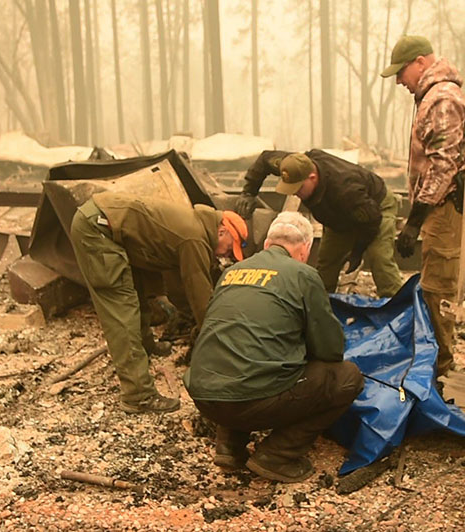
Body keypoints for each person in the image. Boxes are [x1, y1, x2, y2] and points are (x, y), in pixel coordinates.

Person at [184, 212, 365, 483]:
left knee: (237, 354)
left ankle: (229, 445)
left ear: (267, 245)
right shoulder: (304, 274)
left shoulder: (231, 273)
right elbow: (330, 351)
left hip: (203, 395)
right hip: (250, 400)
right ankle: (277, 454)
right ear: (304, 250)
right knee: (347, 377)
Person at [70, 191, 248, 414]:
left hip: (111, 225)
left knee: (137, 291)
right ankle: (137, 396)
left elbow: (179, 291)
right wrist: (217, 341)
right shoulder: (194, 238)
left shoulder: (196, 228)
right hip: (98, 228)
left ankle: (145, 346)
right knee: (121, 311)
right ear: (221, 231)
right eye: (230, 247)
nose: (227, 255)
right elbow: (199, 296)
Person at [381, 35, 465, 376]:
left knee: (438, 293)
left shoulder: (442, 99)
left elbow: (443, 165)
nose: (399, 80)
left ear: (421, 63)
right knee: (433, 285)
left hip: (447, 208)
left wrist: (415, 221)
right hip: (441, 208)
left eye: (402, 72)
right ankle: (434, 364)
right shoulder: (433, 97)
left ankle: (439, 373)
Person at [233, 150, 403, 297]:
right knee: (326, 263)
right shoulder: (292, 166)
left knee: (379, 258)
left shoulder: (346, 189)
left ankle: (398, 309)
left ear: (312, 178)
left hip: (376, 208)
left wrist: (357, 251)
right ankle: (321, 305)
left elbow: (372, 220)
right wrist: (248, 193)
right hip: (336, 216)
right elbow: (264, 160)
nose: (296, 194)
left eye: (298, 189)